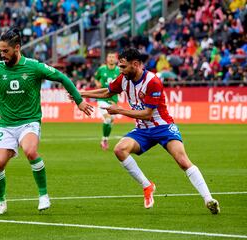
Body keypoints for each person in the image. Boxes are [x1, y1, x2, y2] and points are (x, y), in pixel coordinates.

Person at [0, 28, 93, 215]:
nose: (2, 54)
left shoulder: (33, 67)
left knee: (30, 151)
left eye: (5, 50)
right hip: (6, 125)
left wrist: (79, 101)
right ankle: (1, 202)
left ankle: (43, 195)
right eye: (0, 51)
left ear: (17, 48)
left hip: (29, 121)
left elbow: (62, 77)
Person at [77, 47, 220, 214]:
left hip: (163, 127)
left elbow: (147, 114)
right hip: (142, 130)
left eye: (123, 66)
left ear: (135, 64)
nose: (120, 70)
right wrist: (80, 93)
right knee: (119, 150)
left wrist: (120, 110)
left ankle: (208, 199)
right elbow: (108, 92)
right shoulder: (124, 79)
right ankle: (147, 186)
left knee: (182, 160)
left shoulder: (153, 81)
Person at [94, 52, 120, 150]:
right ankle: (104, 140)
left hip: (113, 99)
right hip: (102, 98)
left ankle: (104, 139)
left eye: (113, 57)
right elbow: (96, 78)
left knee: (111, 121)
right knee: (108, 118)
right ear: (107, 58)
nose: (111, 59)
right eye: (109, 56)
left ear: (116, 59)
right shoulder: (101, 69)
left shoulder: (119, 71)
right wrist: (97, 84)